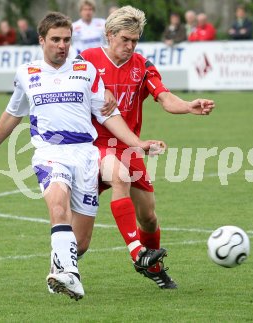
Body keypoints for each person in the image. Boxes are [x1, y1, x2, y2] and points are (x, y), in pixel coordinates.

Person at [0, 12, 165, 301]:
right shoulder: (27, 74)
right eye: (55, 39)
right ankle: (71, 277)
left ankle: (60, 269)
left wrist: (137, 143)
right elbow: (12, 114)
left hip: (86, 156)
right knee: (57, 201)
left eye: (66, 40)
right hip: (50, 154)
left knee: (81, 242)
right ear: (42, 41)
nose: (61, 45)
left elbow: (109, 115)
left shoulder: (85, 70)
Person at [77, 6, 215, 289]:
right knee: (80, 242)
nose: (130, 46)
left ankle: (152, 266)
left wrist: (188, 106)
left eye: (135, 41)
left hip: (129, 148)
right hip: (93, 147)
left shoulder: (142, 65)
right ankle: (72, 265)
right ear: (109, 34)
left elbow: (164, 97)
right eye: (125, 39)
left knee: (149, 218)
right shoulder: (86, 62)